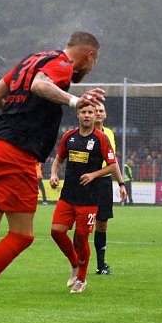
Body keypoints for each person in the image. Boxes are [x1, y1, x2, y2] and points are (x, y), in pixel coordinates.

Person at [0, 31, 105, 323]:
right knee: (22, 235)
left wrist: (22, 114)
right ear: (88, 56)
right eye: (94, 63)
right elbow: (39, 86)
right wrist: (76, 100)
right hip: (16, 153)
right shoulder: (61, 64)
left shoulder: (30, 59)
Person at [49, 104, 118, 293]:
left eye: (90, 113)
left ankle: (81, 279)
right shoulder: (69, 136)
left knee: (81, 238)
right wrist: (54, 174)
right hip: (68, 195)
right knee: (56, 231)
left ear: (95, 116)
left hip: (89, 198)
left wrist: (94, 175)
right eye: (84, 112)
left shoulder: (101, 139)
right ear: (78, 114)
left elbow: (112, 166)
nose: (87, 116)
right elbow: (58, 159)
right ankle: (74, 264)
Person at [92, 102, 127, 275]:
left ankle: (100, 265)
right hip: (87, 182)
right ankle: (77, 265)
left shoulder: (109, 134)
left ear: (105, 115)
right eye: (95, 111)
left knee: (102, 224)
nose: (98, 113)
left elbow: (113, 162)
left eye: (101, 111)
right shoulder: (85, 133)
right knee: (83, 224)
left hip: (104, 183)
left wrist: (121, 183)